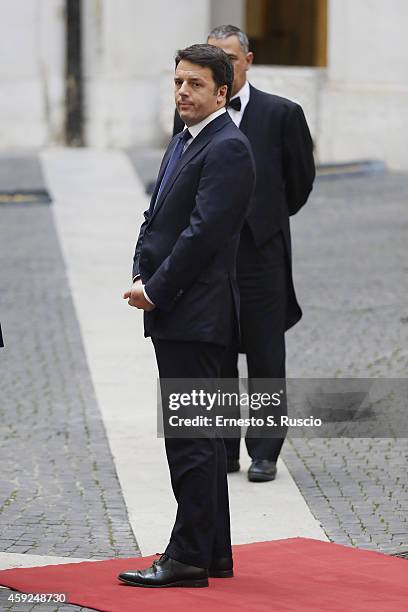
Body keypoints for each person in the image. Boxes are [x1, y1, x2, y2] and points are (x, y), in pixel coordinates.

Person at [119, 44, 255, 588]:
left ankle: (188, 556)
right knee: (201, 435)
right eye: (178, 82)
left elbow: (203, 235)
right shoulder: (187, 137)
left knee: (191, 440)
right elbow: (159, 217)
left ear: (222, 92)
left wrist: (155, 289)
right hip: (179, 311)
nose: (182, 92)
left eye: (195, 84)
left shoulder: (228, 148)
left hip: (194, 314)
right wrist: (140, 269)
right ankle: (213, 552)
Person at [174, 25, 315, 482]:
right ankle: (223, 447)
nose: (224, 66)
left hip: (262, 257)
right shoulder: (190, 112)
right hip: (213, 259)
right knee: (215, 353)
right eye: (215, 58)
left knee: (266, 355)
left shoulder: (282, 113)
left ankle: (265, 451)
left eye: (230, 59)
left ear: (248, 60)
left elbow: (299, 182)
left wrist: (263, 222)